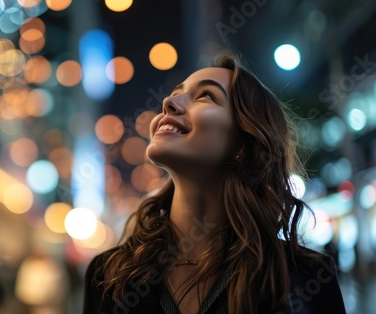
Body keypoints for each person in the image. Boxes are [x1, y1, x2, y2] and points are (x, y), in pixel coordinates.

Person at [83, 51, 347, 314]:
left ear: (243, 144)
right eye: (176, 92)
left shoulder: (307, 277)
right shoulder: (109, 275)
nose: (168, 102)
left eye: (205, 95)